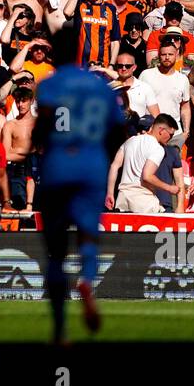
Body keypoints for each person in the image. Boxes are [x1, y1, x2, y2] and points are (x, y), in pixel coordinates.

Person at [34, 25, 128, 343]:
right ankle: (87, 280)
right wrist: (101, 154)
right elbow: (118, 129)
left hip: (59, 164)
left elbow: (42, 129)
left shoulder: (49, 86)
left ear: (52, 54)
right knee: (89, 236)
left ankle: (60, 331)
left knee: (56, 252)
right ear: (78, 50)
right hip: (91, 166)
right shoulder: (99, 85)